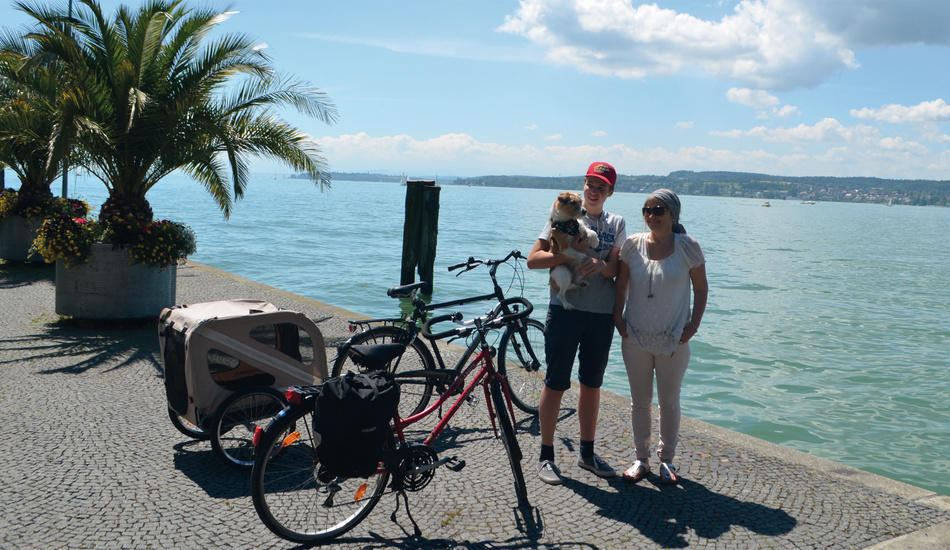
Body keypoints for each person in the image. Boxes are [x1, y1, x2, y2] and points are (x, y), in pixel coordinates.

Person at [527, 161, 626, 485]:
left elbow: (616, 269)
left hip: (600, 315)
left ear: (610, 192)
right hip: (565, 312)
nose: (593, 191)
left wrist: (599, 265)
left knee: (591, 385)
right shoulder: (560, 219)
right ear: (583, 186)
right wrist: (570, 254)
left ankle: (587, 453)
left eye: (601, 187)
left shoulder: (616, 223)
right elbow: (533, 260)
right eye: (590, 185)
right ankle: (546, 456)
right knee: (555, 383)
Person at [613, 189, 708, 485]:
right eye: (647, 210)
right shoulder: (632, 245)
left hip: (674, 338)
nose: (651, 216)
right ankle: (641, 459)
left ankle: (667, 460)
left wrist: (693, 326)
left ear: (673, 215)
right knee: (640, 401)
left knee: (669, 402)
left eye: (658, 210)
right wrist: (617, 318)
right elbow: (621, 285)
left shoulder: (688, 247)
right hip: (635, 336)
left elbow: (701, 289)